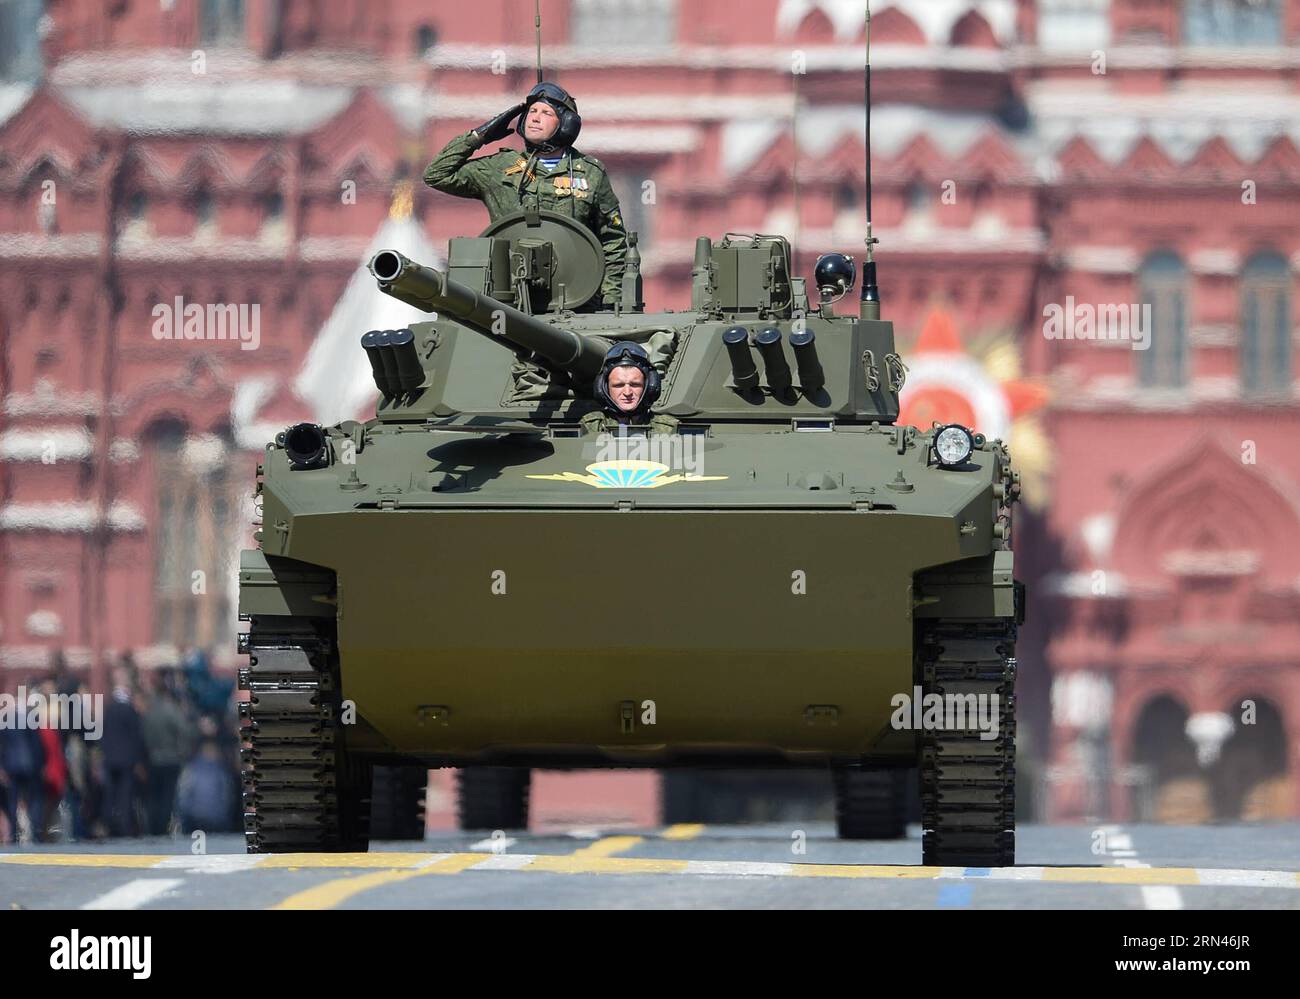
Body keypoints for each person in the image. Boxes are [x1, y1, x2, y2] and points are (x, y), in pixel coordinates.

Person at [423, 81, 628, 308]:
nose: (535, 118)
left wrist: (611, 300)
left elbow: (613, 241)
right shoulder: (501, 167)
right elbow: (436, 175)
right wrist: (479, 136)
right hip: (508, 298)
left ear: (566, 125)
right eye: (531, 111)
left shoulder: (590, 173)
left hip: (575, 298)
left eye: (546, 113)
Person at [580, 341, 678, 434]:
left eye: (635, 385)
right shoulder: (590, 428)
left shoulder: (669, 430)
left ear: (649, 387)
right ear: (603, 389)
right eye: (618, 385)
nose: (627, 393)